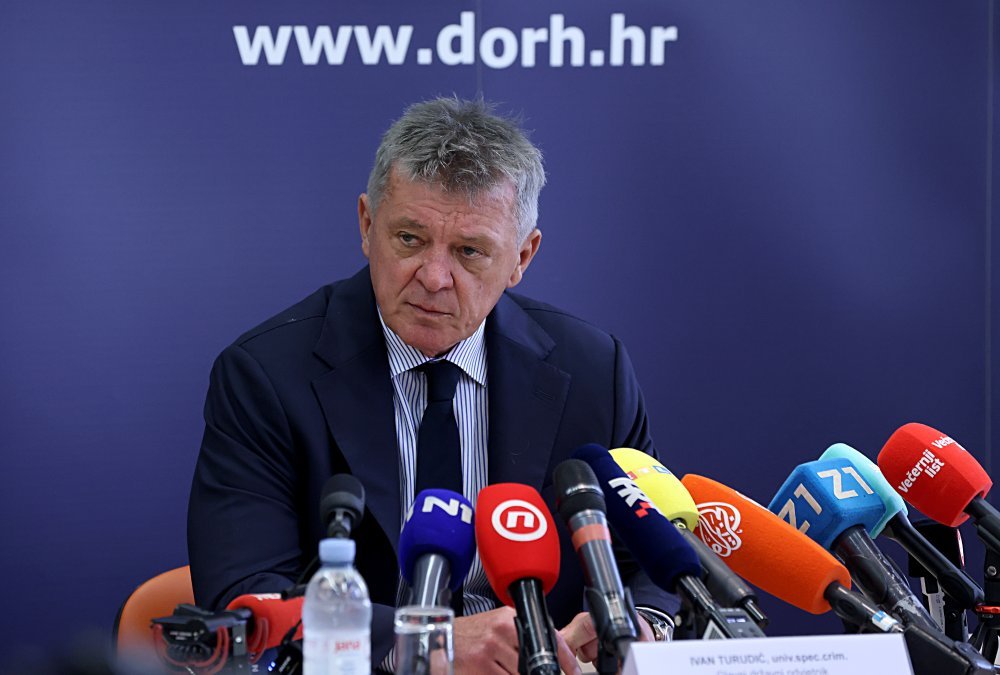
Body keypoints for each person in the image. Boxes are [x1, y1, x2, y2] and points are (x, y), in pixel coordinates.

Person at [188, 97, 677, 674]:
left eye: (470, 252)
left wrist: (641, 624)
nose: (435, 277)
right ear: (367, 225)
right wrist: (427, 640)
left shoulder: (594, 371)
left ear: (521, 257)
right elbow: (246, 597)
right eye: (410, 239)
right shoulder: (266, 376)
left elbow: (653, 555)